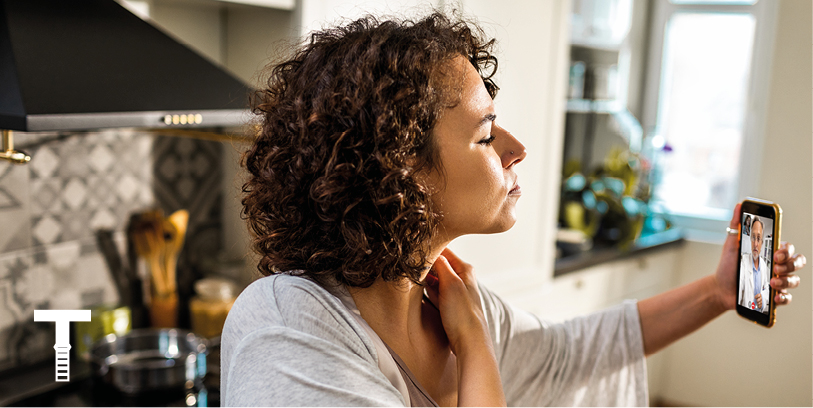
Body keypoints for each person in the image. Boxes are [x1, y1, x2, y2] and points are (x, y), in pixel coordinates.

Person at [220, 13, 806, 406]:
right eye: (485, 134)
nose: (517, 149)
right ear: (403, 169)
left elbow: (572, 353)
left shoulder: (445, 299)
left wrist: (716, 293)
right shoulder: (284, 323)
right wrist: (475, 348)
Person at [739, 218, 770, 312]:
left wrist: (763, 300)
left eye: (758, 238)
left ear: (762, 242)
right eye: (753, 237)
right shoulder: (743, 262)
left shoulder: (764, 265)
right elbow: (739, 286)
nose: (755, 244)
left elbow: (767, 287)